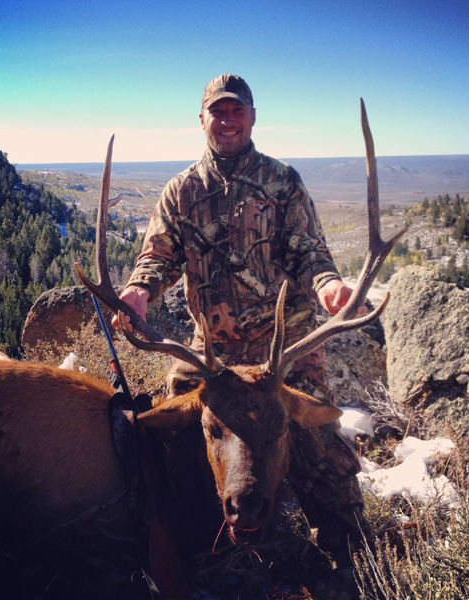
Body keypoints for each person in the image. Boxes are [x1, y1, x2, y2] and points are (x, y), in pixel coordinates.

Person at [115, 73, 368, 570]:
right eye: (218, 111)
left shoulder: (282, 181)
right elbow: (158, 256)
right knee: (171, 435)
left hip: (284, 350)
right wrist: (140, 289)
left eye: (237, 111)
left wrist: (328, 285)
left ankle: (347, 551)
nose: (227, 120)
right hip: (215, 355)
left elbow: (309, 251)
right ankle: (199, 541)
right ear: (202, 119)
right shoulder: (182, 190)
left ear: (252, 117)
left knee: (317, 445)